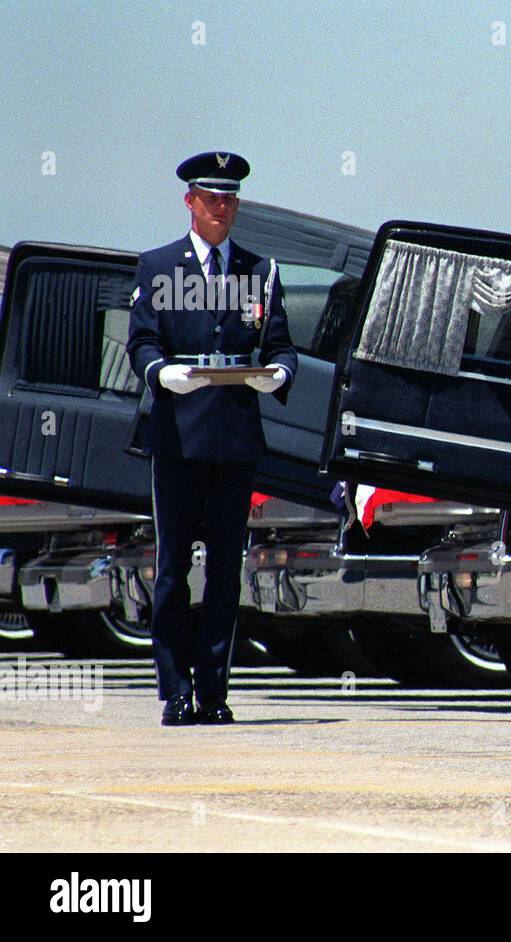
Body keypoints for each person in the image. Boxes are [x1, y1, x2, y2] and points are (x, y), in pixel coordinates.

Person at [127, 151, 297, 726]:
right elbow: (142, 341)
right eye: (212, 198)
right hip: (178, 433)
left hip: (233, 435)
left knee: (226, 567)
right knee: (174, 566)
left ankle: (213, 691)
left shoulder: (260, 271)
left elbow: (280, 347)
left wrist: (278, 375)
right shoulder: (159, 267)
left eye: (230, 199)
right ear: (190, 202)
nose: (222, 208)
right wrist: (159, 373)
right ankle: (175, 688)